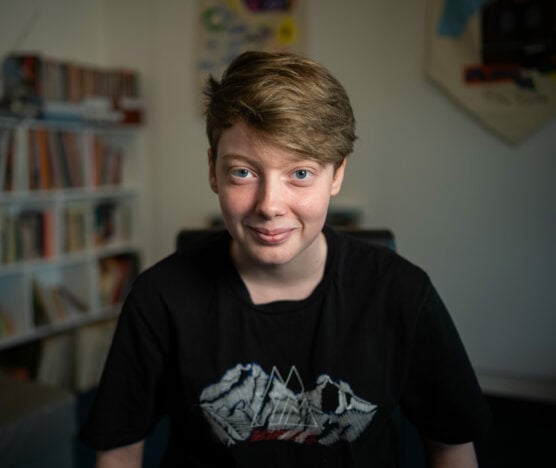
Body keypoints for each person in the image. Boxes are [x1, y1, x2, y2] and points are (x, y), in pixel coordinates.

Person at [80, 50, 491, 467]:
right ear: (212, 170)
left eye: (300, 174)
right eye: (243, 172)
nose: (269, 205)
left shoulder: (403, 294)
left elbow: (452, 446)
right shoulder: (159, 298)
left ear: (337, 174)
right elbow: (119, 450)